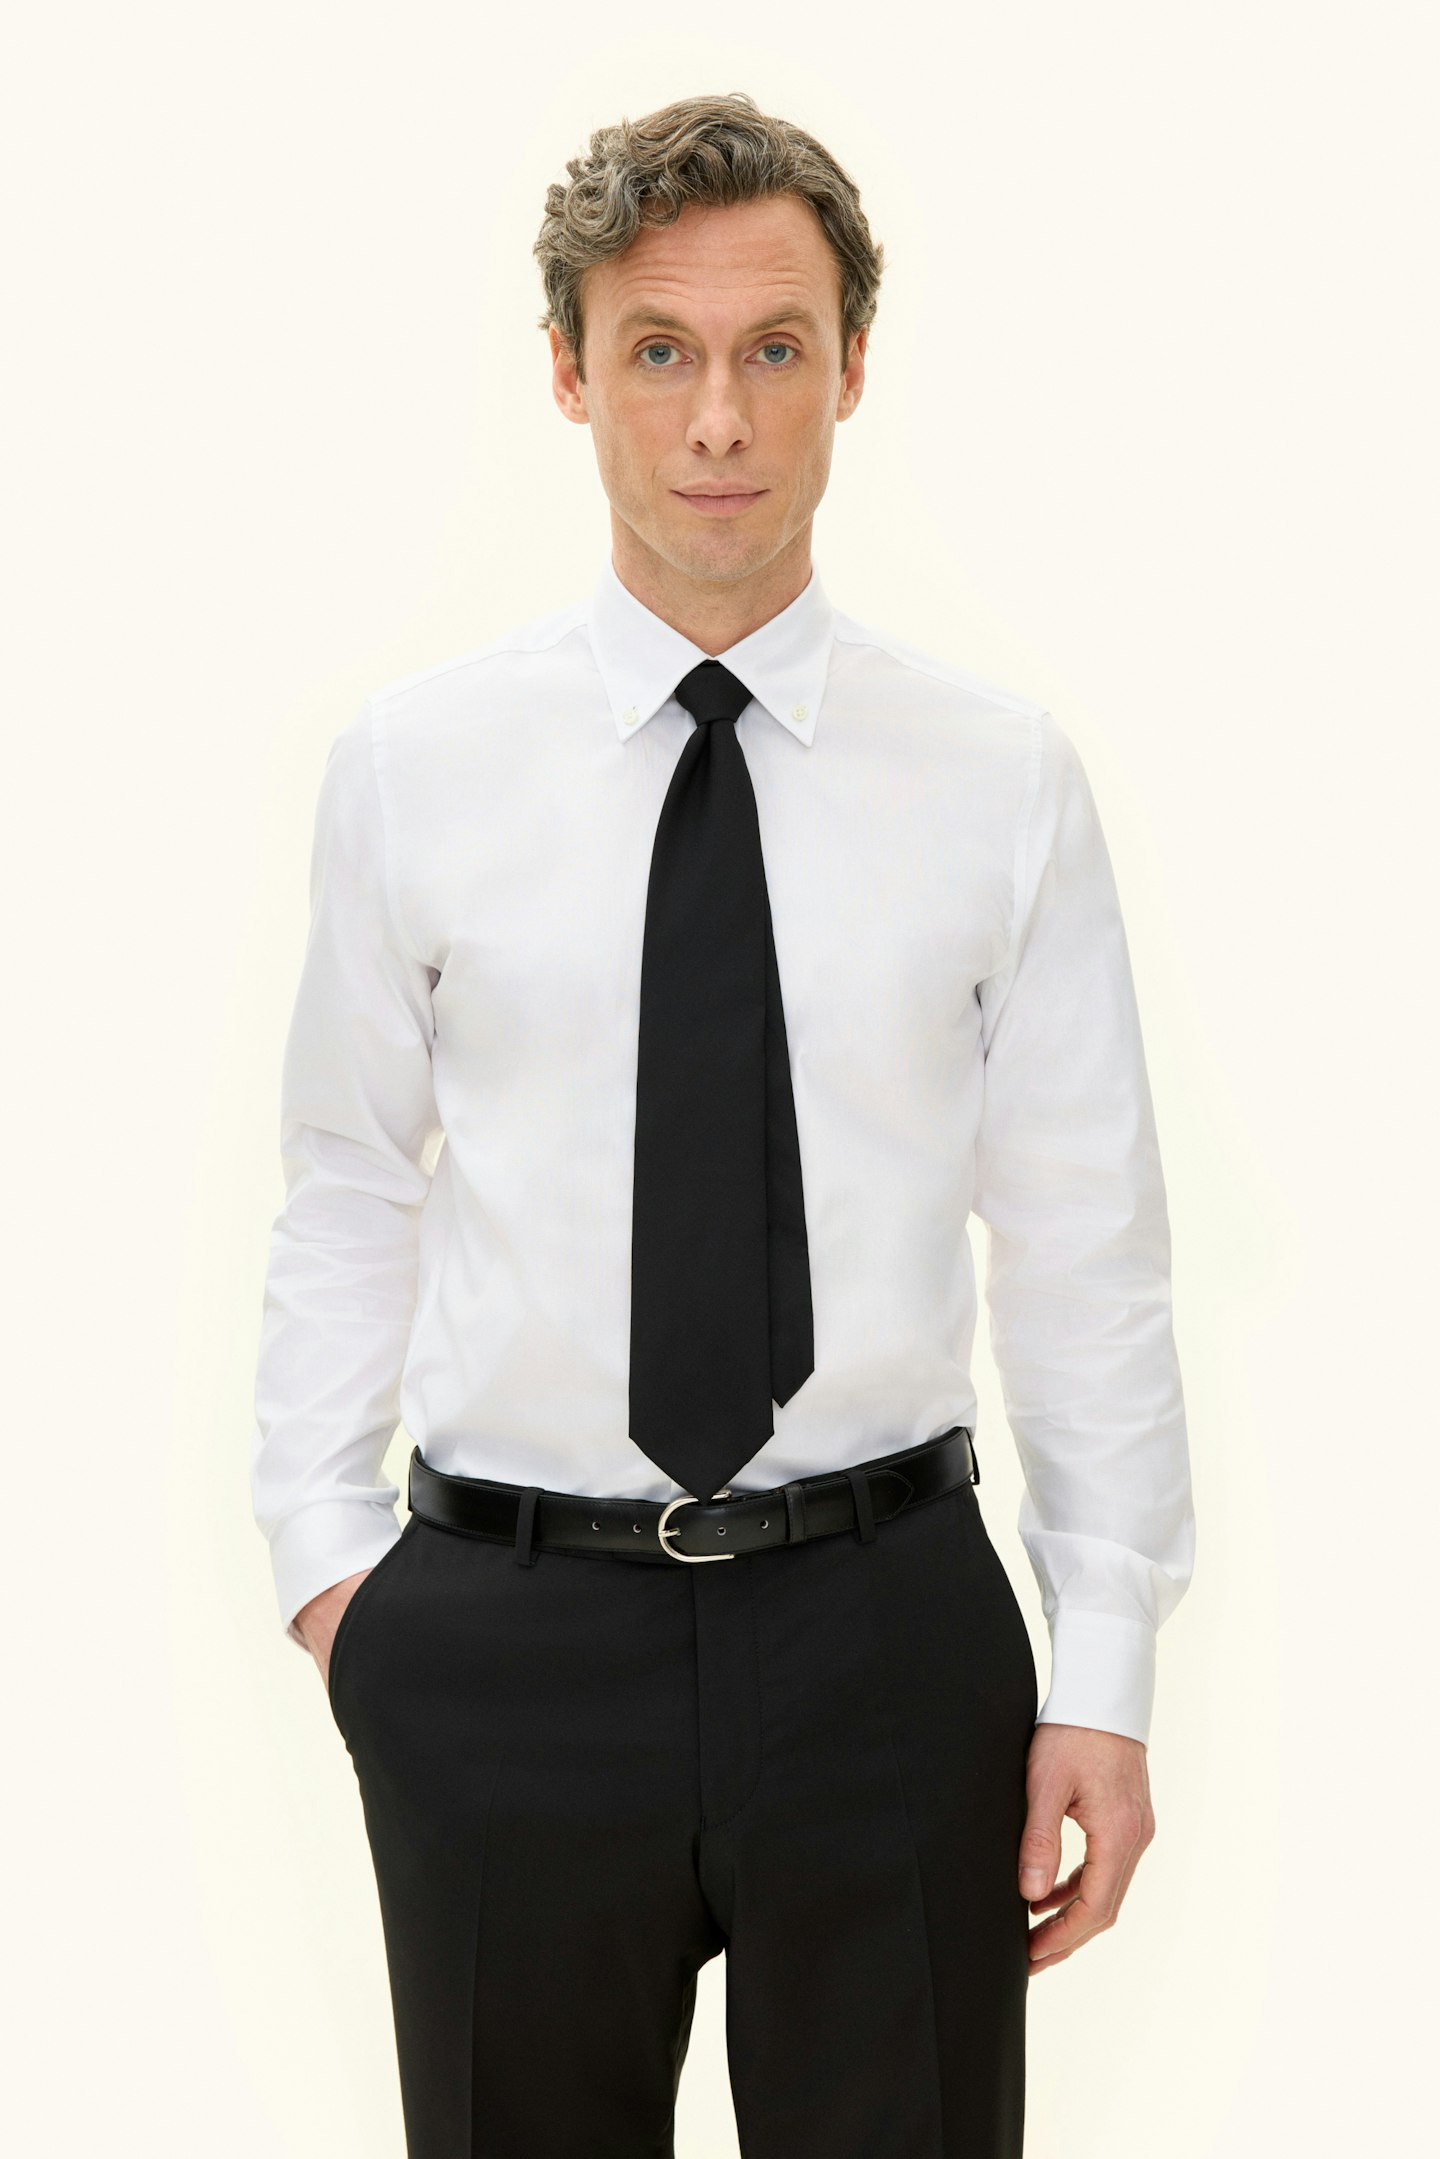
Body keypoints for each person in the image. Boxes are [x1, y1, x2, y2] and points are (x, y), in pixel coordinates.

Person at [250, 88, 1195, 2159]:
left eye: (775, 348)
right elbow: (348, 1177)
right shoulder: (415, 769)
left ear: (852, 367)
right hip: (504, 1637)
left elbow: (1082, 1234)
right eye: (658, 349)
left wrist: (1103, 1662)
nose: (716, 420)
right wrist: (335, 1571)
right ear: (569, 371)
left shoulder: (999, 780)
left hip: (886, 1634)